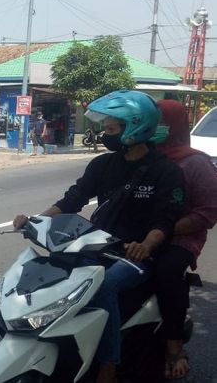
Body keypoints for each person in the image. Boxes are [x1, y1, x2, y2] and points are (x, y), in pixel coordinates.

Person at [12, 90, 184, 383]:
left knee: (105, 286)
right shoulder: (103, 165)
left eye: (111, 128)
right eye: (105, 127)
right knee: (50, 275)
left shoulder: (165, 172)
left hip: (134, 255)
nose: (105, 133)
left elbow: (164, 221)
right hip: (94, 245)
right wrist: (36, 219)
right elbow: (73, 199)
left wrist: (145, 245)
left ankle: (108, 365)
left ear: (135, 127)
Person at [152, 99, 217, 380]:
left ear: (174, 126)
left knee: (167, 272)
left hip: (182, 238)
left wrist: (165, 231)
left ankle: (174, 346)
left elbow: (208, 213)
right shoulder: (143, 156)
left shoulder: (196, 163)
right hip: (139, 233)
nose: (153, 128)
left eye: (159, 123)